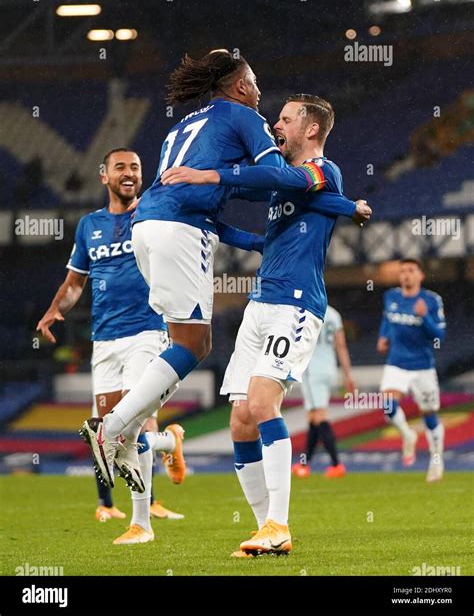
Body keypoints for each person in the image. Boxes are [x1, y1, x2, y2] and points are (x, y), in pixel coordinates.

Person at [162, 94, 372, 555]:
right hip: (259, 304)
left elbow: (272, 175)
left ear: (311, 129)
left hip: (295, 305)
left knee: (261, 405)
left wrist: (210, 174)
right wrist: (202, 215)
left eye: (285, 118)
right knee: (240, 420)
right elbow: (262, 217)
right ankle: (266, 531)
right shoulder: (288, 189)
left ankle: (280, 523)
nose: (275, 124)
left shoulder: (323, 172)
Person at [79, 49, 291, 493]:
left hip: (147, 227)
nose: (259, 92)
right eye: (254, 82)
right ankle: (113, 427)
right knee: (195, 343)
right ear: (238, 86)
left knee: (184, 341)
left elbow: (204, 201)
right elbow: (273, 175)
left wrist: (257, 240)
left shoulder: (181, 127)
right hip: (179, 231)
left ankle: (126, 432)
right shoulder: (244, 116)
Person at [37, 148, 185, 545]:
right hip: (104, 341)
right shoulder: (89, 225)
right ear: (104, 176)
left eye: (135, 167)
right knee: (108, 433)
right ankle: (170, 442)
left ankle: (141, 524)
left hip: (147, 332)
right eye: (120, 167)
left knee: (130, 422)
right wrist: (54, 311)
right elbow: (74, 283)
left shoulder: (152, 212)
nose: (129, 173)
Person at [377, 258, 446, 482]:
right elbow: (387, 318)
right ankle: (408, 435)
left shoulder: (431, 300)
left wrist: (424, 316)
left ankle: (436, 459)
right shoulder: (391, 296)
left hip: (422, 367)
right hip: (396, 362)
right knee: (387, 403)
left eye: (411, 271)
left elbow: (440, 336)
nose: (406, 274)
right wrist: (383, 336)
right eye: (403, 271)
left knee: (429, 415)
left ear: (420, 276)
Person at [292, 305, 355, 479]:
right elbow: (341, 346)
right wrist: (348, 375)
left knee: (320, 416)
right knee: (313, 417)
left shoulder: (305, 310)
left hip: (312, 370)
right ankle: (304, 464)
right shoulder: (334, 314)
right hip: (329, 369)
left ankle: (336, 464)